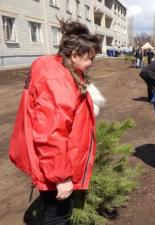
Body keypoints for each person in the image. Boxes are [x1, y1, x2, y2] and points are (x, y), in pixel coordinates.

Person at [8, 19, 101, 225]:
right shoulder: (58, 83)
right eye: (90, 59)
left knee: (54, 211)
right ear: (74, 55)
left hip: (50, 162)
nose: (92, 64)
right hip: (56, 166)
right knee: (58, 216)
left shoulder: (50, 64)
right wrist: (62, 178)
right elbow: (51, 134)